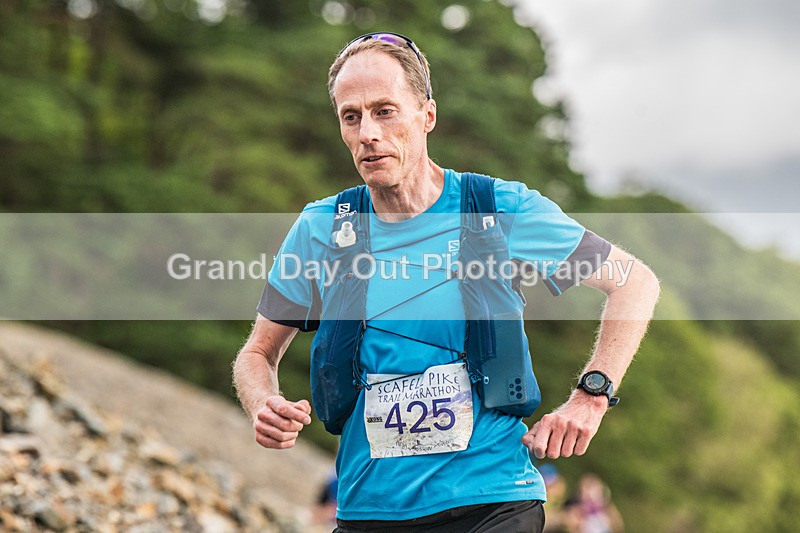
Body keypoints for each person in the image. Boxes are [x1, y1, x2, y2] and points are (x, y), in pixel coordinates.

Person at [233, 32, 660, 532]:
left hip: (494, 499)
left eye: (385, 110)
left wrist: (592, 396)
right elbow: (257, 354)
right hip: (370, 507)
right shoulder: (323, 227)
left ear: (427, 116)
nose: (368, 132)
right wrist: (263, 402)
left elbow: (634, 283)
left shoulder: (498, 209)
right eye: (351, 116)